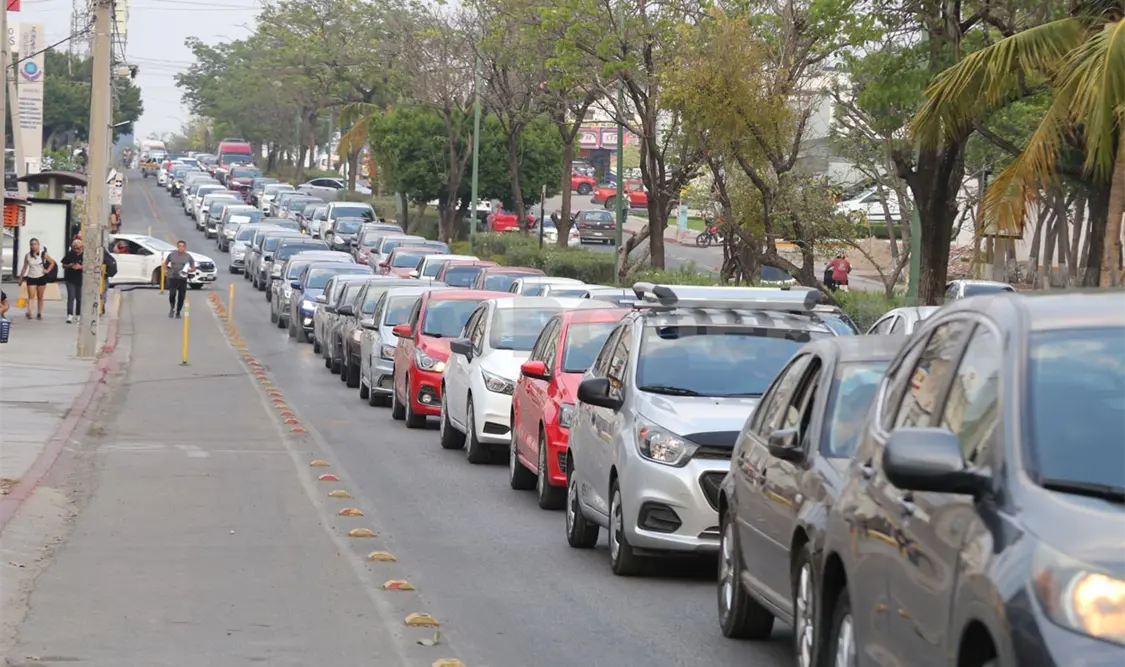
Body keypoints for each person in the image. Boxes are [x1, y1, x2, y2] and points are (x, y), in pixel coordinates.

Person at [18, 238, 57, 320]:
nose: (34, 246)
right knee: (31, 296)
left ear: (38, 245)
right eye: (32, 244)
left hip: (41, 277)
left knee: (40, 297)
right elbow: (25, 267)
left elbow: (52, 262)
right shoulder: (28, 255)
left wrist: (47, 270)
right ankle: (29, 312)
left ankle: (39, 313)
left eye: (35, 244)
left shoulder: (43, 255)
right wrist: (21, 278)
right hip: (31, 277)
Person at [163, 240, 195, 318]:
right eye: (179, 246)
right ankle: (172, 308)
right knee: (172, 295)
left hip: (182, 278)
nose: (181, 248)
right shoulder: (172, 255)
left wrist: (189, 270)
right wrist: (165, 271)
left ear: (185, 247)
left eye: (182, 246)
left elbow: (193, 268)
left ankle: (178, 311)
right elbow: (165, 263)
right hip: (173, 277)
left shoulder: (188, 256)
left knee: (181, 296)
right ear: (177, 247)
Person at [61, 238, 85, 323]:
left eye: (78, 248)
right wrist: (69, 265)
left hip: (80, 279)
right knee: (71, 297)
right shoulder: (70, 254)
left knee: (79, 297)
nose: (76, 250)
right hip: (70, 278)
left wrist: (81, 267)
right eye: (74, 248)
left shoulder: (85, 255)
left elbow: (90, 266)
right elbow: (63, 265)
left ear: (81, 248)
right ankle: (70, 315)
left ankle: (78, 315)